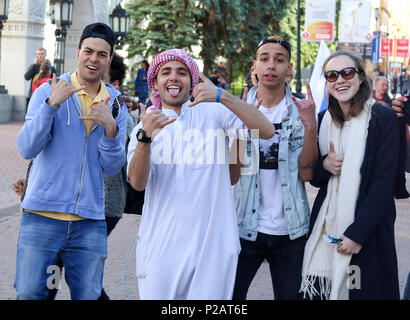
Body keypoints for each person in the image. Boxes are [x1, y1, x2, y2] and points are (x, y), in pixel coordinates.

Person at [126, 48, 274, 300]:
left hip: (213, 250)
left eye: (182, 72)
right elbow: (138, 184)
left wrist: (225, 97)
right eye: (166, 72)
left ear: (192, 81)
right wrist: (145, 139)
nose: (173, 78)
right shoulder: (145, 125)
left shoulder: (215, 112)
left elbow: (266, 131)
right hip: (162, 250)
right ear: (155, 82)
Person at [15, 23, 128, 300]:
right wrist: (51, 106)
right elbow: (26, 147)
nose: (94, 59)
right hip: (42, 215)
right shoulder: (49, 91)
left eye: (102, 54)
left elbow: (112, 167)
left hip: (89, 220)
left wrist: (111, 132)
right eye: (88, 51)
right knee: (31, 293)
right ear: (78, 52)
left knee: (88, 295)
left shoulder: (115, 104)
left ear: (109, 60)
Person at [300, 50, 400, 300]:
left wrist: (357, 234)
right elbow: (316, 180)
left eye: (347, 72)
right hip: (328, 229)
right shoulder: (324, 120)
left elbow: (383, 183)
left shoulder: (383, 118)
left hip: (369, 230)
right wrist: (325, 165)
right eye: (331, 76)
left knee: (363, 292)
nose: (340, 80)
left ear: (360, 77)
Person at [230, 34, 318, 300]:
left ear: (289, 69)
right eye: (264, 59)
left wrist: (311, 125)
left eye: (279, 60)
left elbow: (307, 174)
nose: (271, 65)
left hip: (290, 230)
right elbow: (232, 176)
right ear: (254, 67)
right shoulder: (237, 108)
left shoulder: (301, 111)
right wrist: (238, 128)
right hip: (244, 226)